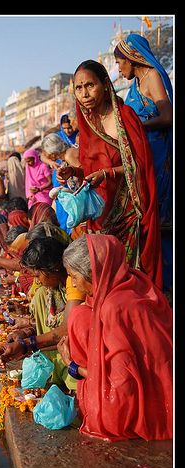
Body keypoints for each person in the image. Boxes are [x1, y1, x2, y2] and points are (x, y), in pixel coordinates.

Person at [43, 60, 163, 290]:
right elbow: (90, 169)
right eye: (79, 88)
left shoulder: (125, 117)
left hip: (128, 211)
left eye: (90, 85)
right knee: (102, 279)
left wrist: (107, 174)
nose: (84, 93)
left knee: (129, 280)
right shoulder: (88, 123)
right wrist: (72, 172)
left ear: (105, 85)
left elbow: (140, 166)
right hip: (100, 214)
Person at [55, 233, 172, 441]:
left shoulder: (113, 307)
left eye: (74, 276)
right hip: (164, 387)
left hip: (143, 406)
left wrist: (73, 366)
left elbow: (124, 380)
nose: (73, 284)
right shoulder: (135, 281)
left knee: (79, 317)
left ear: (94, 273)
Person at [114, 34, 173, 298]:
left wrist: (136, 128)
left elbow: (167, 116)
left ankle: (166, 285)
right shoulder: (135, 85)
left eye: (119, 62)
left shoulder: (152, 77)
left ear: (132, 57)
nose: (118, 68)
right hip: (142, 157)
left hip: (157, 158)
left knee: (159, 221)